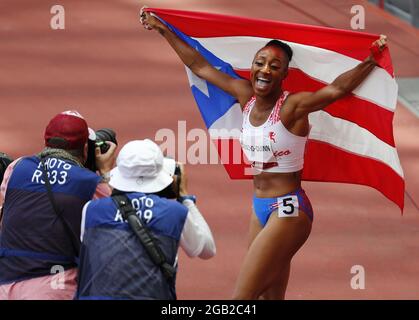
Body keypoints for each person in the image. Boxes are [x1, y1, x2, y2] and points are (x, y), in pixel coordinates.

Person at [140, 8, 388, 300]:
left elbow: (335, 90)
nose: (265, 70)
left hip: (289, 210)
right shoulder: (244, 94)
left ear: (284, 74)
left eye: (275, 66)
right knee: (269, 299)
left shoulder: (292, 107)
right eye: (260, 63)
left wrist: (371, 60)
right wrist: (163, 29)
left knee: (241, 299)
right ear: (252, 66)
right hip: (260, 208)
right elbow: (201, 67)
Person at [75, 139, 216, 300]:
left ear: (120, 171)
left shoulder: (92, 210)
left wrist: (106, 174)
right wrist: (184, 197)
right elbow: (207, 250)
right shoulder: (175, 213)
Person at [0, 110, 116, 300]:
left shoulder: (17, 167)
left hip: (6, 285)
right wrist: (105, 172)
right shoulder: (88, 182)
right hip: (52, 289)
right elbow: (118, 219)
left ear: (47, 141)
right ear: (86, 149)